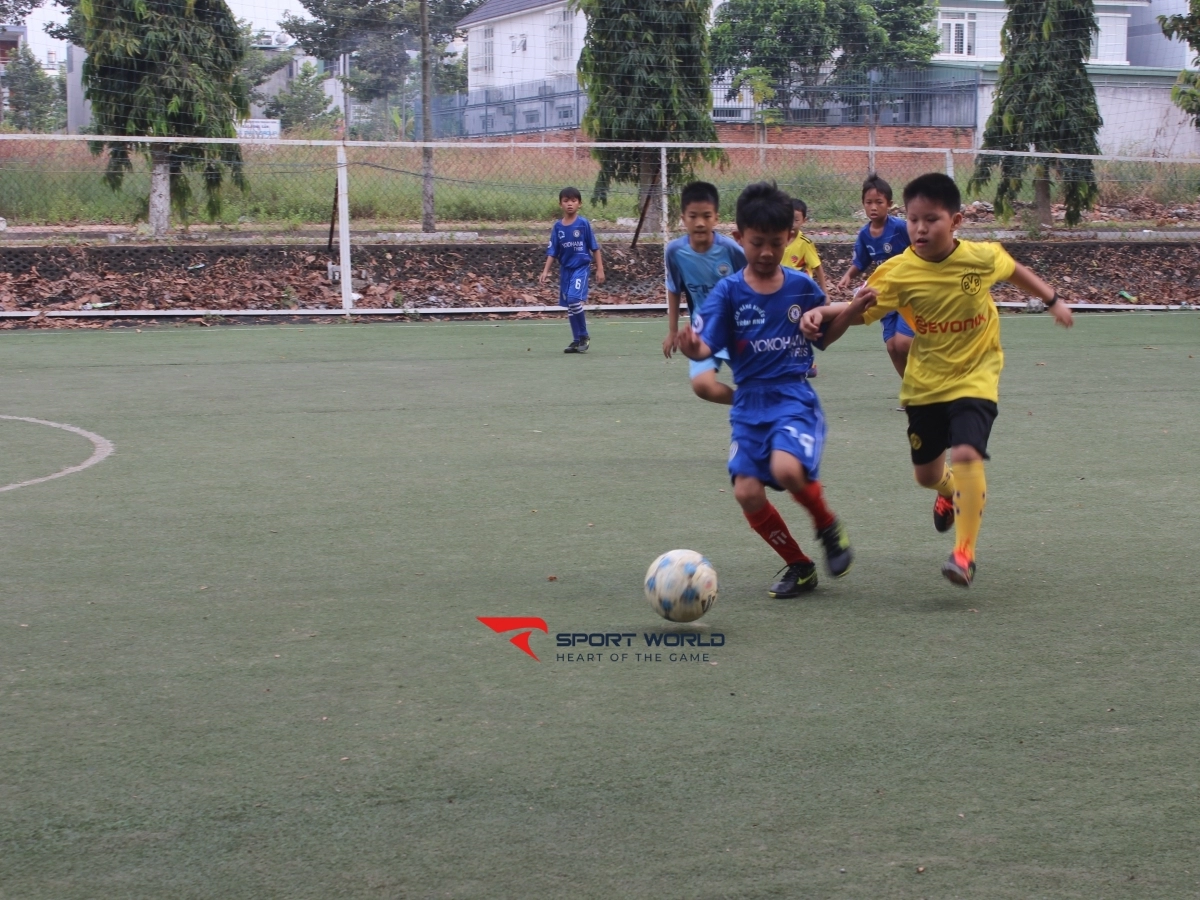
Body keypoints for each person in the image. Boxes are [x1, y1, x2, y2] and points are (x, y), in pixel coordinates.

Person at [803, 173, 1073, 587]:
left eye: (931, 219)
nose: (921, 228)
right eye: (913, 220)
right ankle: (948, 493)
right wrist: (821, 314)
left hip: (977, 374)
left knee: (966, 454)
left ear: (956, 221)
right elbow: (859, 310)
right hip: (925, 383)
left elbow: (1015, 270)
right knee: (927, 476)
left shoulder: (980, 258)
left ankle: (964, 554)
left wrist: (1053, 300)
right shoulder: (896, 272)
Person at [678, 182, 853, 598]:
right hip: (749, 404)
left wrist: (849, 311)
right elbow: (707, 344)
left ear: (790, 237)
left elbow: (826, 337)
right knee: (746, 492)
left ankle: (827, 526)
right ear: (739, 238)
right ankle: (800, 565)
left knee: (787, 470)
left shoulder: (801, 287)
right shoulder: (728, 292)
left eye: (776, 243)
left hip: (793, 397)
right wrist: (693, 346)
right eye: (757, 243)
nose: (767, 252)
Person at [662, 181, 747, 405]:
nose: (700, 223)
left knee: (757, 378)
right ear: (683, 218)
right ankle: (746, 402)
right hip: (704, 328)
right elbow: (673, 289)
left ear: (716, 218)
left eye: (706, 216)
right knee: (702, 386)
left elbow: (753, 280)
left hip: (738, 326)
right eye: (693, 216)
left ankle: (761, 407)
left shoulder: (730, 250)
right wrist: (672, 331)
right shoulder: (674, 251)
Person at [836, 174, 916, 378]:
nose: (873, 207)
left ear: (889, 204)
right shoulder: (864, 234)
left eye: (878, 202)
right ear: (863, 204)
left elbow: (919, 247)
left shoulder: (900, 228)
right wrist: (848, 276)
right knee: (892, 347)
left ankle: (927, 383)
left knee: (904, 343)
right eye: (868, 202)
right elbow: (861, 261)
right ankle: (911, 389)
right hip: (884, 294)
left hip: (908, 293)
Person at [540, 186, 605, 353]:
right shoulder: (558, 227)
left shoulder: (583, 224)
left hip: (581, 268)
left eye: (574, 201)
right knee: (570, 304)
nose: (570, 204)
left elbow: (594, 247)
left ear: (580, 204)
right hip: (565, 270)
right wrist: (546, 270)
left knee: (574, 299)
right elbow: (553, 250)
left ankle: (584, 335)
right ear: (560, 204)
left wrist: (600, 269)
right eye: (566, 201)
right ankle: (576, 340)